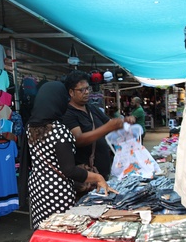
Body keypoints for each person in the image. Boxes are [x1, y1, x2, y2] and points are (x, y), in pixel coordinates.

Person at [26, 81, 118, 229]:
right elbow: (69, 169)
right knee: (62, 229)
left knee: (45, 228)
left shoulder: (31, 127)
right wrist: (98, 177)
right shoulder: (59, 131)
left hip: (38, 186)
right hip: (58, 190)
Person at [62, 70, 135, 179]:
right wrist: (107, 128)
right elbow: (78, 139)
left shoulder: (92, 108)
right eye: (82, 90)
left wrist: (124, 122)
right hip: (88, 175)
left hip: (103, 170)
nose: (86, 92)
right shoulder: (68, 113)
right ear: (71, 92)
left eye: (87, 89)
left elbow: (110, 125)